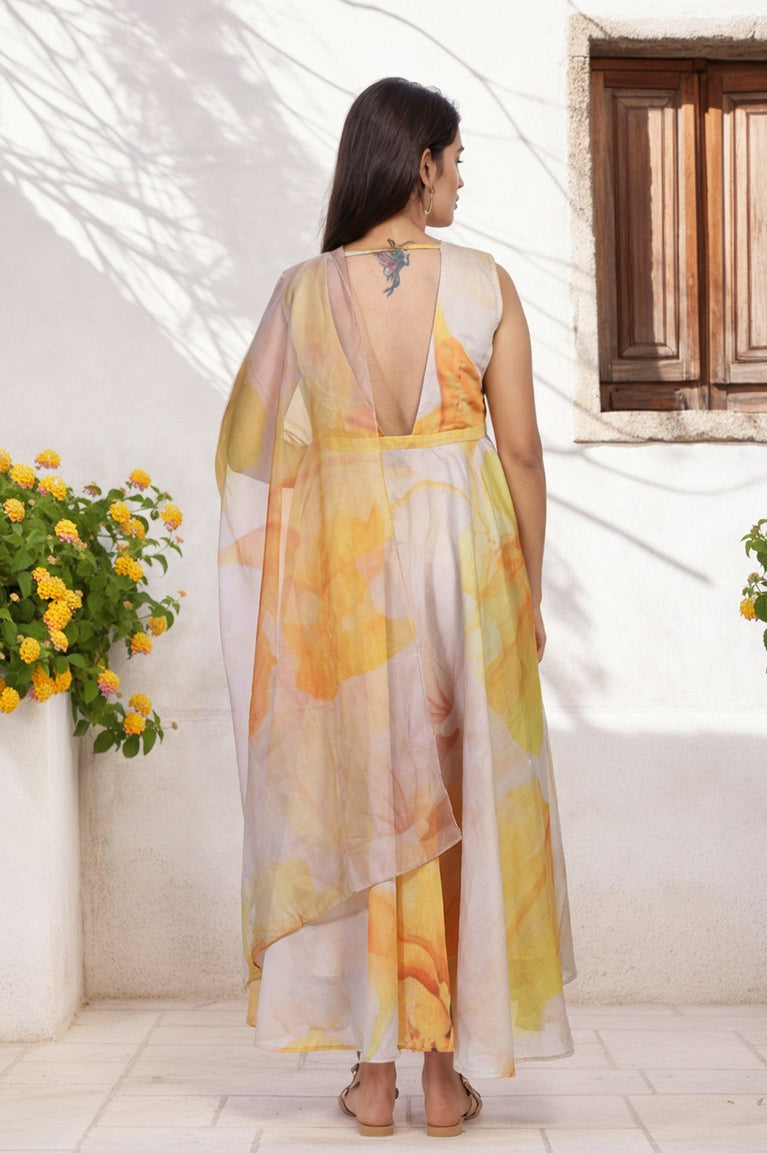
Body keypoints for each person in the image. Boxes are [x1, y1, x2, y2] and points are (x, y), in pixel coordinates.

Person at [216, 76, 575, 1139]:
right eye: (455, 160)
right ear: (419, 163)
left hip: (351, 577)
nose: (461, 179)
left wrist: (331, 494)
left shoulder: (300, 290)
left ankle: (371, 1081)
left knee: (365, 799)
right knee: (456, 798)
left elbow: (248, 448)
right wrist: (528, 590)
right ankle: (442, 1081)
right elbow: (519, 452)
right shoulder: (485, 283)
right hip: (463, 571)